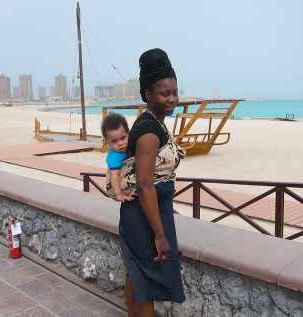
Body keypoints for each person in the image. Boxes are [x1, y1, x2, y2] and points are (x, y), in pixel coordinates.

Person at [119, 48, 186, 316]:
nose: (173, 99)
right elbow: (146, 184)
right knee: (145, 284)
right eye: (165, 94)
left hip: (146, 211)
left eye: (174, 92)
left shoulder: (154, 122)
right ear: (148, 94)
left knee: (135, 276)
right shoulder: (148, 130)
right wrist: (160, 235)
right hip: (145, 214)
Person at [101, 112, 134, 202]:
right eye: (114, 141)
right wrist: (119, 195)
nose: (120, 144)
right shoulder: (115, 157)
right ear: (108, 142)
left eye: (123, 138)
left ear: (129, 133)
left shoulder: (131, 144)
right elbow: (114, 175)